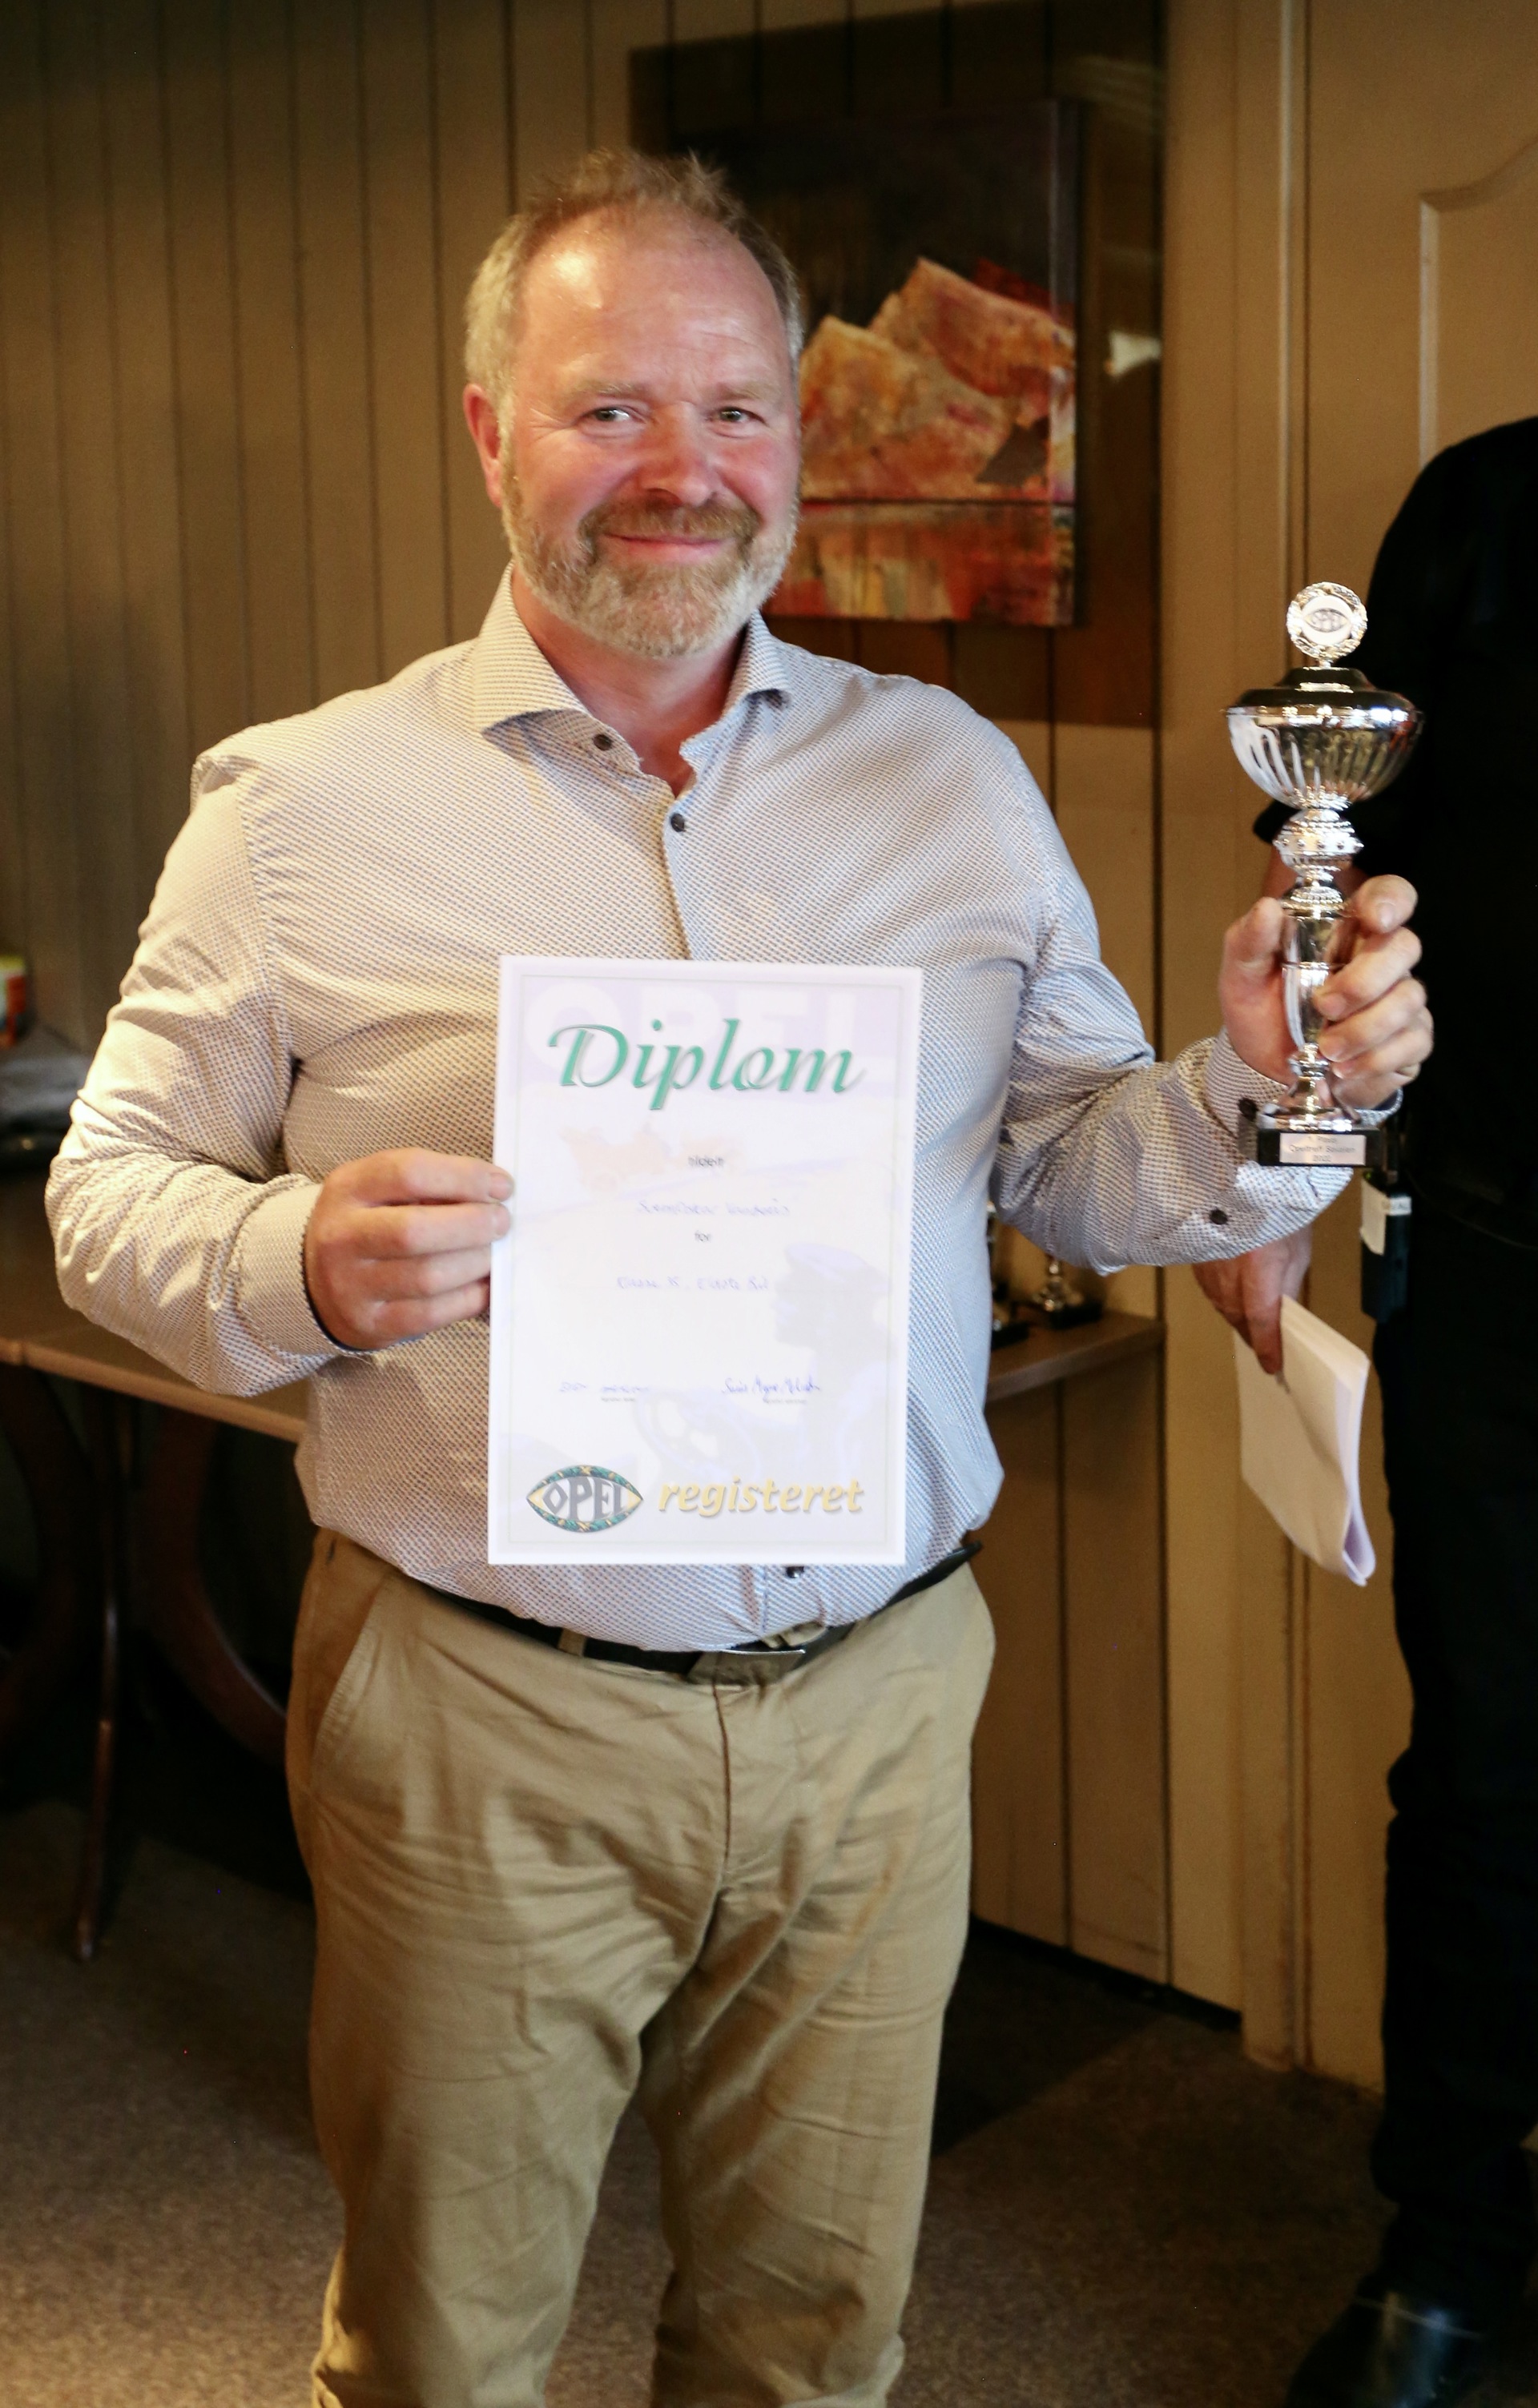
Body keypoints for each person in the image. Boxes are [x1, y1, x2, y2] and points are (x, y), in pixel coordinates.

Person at [49, 150, 1431, 2408]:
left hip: (873, 1705)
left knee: (811, 2343)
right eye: (610, 408)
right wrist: (300, 1256)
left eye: (738, 407)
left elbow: (1081, 1166)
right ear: (488, 430)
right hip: (484, 1708)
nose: (684, 467)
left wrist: (1256, 1081)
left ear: (802, 433)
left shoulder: (947, 779)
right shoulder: (297, 811)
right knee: (443, 2352)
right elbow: (108, 1194)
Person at [1200, 417, 1538, 2408]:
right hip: (1501, 1271)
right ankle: (1452, 2244)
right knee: (1489, 1776)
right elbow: (1338, 869)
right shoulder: (1490, 510)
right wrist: (1288, 1174)